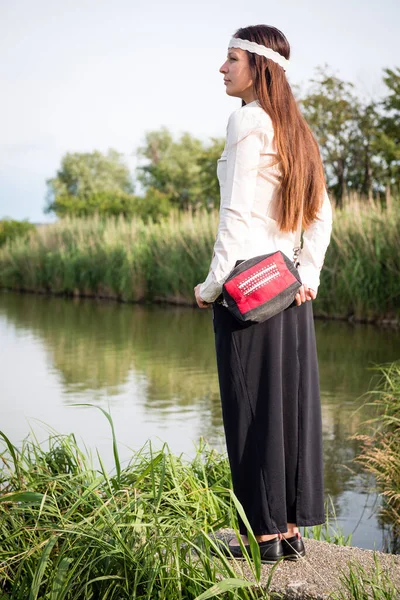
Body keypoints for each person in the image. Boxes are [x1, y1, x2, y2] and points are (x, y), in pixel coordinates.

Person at [194, 24, 333, 563]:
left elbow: (235, 216)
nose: (222, 68)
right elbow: (321, 215)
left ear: (258, 66)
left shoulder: (248, 120)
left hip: (247, 288)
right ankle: (291, 530)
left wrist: (211, 286)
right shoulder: (295, 128)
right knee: (289, 410)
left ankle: (265, 538)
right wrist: (307, 275)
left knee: (250, 411)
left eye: (231, 58)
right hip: (287, 290)